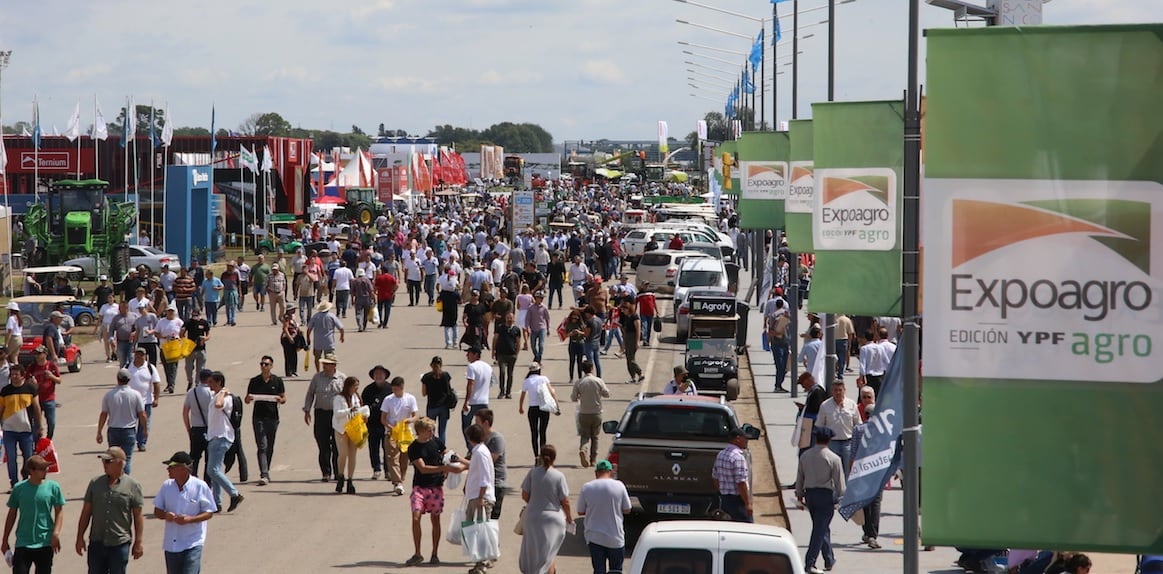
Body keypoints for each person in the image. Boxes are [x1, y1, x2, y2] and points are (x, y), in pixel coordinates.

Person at [75, 448, 145, 573]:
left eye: (108, 461)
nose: (104, 464)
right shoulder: (95, 483)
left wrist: (138, 542)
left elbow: (138, 516)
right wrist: (80, 537)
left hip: (119, 544)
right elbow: (86, 512)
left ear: (120, 463)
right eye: (103, 461)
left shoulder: (133, 486)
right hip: (97, 542)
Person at [405, 417, 462, 567]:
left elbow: (446, 453)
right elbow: (422, 468)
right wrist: (444, 468)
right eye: (429, 430)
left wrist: (450, 461)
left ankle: (434, 553)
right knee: (416, 517)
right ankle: (417, 553)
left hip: (436, 487)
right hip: (419, 486)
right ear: (420, 432)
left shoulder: (436, 442)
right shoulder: (414, 448)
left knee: (435, 520)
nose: (431, 433)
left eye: (432, 430)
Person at [152, 452, 216, 574]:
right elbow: (157, 511)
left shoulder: (200, 486)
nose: (168, 469)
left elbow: (209, 512)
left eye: (171, 466)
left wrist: (190, 519)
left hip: (193, 543)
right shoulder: (166, 486)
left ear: (183, 469)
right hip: (171, 545)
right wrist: (166, 515)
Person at [2, 455, 65, 573]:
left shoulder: (53, 487)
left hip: (45, 542)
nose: (46, 470)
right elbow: (12, 514)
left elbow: (59, 511)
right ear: (31, 471)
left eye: (46, 467)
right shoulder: (19, 488)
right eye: (41, 468)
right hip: (23, 542)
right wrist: (5, 540)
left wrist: (55, 533)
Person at [796, 426, 845, 574]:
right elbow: (839, 483)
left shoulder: (805, 455)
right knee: (819, 530)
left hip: (810, 495)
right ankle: (810, 563)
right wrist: (842, 499)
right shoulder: (833, 458)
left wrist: (799, 494)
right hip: (825, 496)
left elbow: (800, 476)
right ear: (829, 440)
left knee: (822, 527)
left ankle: (829, 558)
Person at [518, 445, 573, 574]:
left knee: (532, 552)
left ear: (540, 457)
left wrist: (535, 502)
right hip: (553, 519)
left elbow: (525, 495)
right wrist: (569, 518)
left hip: (533, 517)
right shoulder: (559, 476)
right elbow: (565, 501)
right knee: (549, 553)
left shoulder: (533, 473)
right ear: (555, 458)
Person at [576, 460, 631, 574]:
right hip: (615, 537)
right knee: (616, 570)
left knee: (598, 570)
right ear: (610, 472)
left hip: (595, 537)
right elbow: (627, 509)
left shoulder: (587, 487)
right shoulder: (619, 486)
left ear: (596, 473)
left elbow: (580, 511)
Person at [204, 372, 244, 513]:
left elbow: (219, 404)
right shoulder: (217, 395)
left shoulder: (225, 397)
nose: (209, 385)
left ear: (219, 382)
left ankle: (234, 494)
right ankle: (217, 502)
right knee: (215, 472)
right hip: (215, 437)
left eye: (211, 382)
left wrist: (223, 392)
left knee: (212, 470)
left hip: (221, 437)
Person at [96, 368, 146, 475]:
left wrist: (99, 431)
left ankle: (114, 479)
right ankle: (125, 482)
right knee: (126, 460)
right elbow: (142, 414)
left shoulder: (109, 395)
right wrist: (145, 430)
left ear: (117, 379)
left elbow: (103, 414)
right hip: (129, 430)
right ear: (129, 379)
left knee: (113, 459)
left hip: (113, 430)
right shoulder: (135, 394)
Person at [461, 423, 496, 573]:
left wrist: (481, 497)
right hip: (475, 496)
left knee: (478, 531)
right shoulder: (480, 451)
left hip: (480, 497)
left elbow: (484, 478)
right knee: (473, 530)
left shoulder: (480, 453)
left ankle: (481, 563)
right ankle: (481, 561)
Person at [246, 356, 286, 486]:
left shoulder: (277, 381)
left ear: (271, 366)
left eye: (266, 364)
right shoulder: (254, 381)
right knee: (262, 446)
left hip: (273, 418)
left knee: (270, 447)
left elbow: (283, 397)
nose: (264, 366)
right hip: (258, 418)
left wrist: (281, 400)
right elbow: (247, 400)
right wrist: (249, 398)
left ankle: (266, 469)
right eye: (262, 364)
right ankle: (264, 474)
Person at [303, 353, 344, 482]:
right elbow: (310, 394)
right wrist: (307, 410)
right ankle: (326, 473)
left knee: (338, 445)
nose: (324, 366)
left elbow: (349, 396)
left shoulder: (342, 378)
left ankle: (339, 472)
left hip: (337, 415)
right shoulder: (317, 378)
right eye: (324, 364)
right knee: (323, 444)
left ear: (334, 365)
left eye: (327, 364)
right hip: (321, 414)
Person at [379, 376, 418, 496]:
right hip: (392, 432)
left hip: (405, 433)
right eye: (393, 389)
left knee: (404, 458)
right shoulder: (388, 399)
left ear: (402, 387)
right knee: (392, 457)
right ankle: (397, 482)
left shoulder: (410, 398)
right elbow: (383, 418)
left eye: (397, 389)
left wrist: (409, 420)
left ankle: (401, 479)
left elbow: (415, 415)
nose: (395, 391)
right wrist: (390, 427)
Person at [570, 359, 609, 469]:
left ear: (583, 370)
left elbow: (573, 397)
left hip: (584, 412)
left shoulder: (579, 382)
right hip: (596, 412)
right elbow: (607, 394)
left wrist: (579, 396)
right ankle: (593, 460)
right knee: (595, 437)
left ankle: (583, 449)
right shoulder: (598, 381)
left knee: (585, 435)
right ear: (592, 369)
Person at [816, 380, 861, 472]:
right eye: (835, 390)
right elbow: (819, 425)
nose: (838, 392)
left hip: (848, 443)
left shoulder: (852, 404)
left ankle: (847, 486)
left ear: (844, 390)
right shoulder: (825, 405)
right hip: (832, 443)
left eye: (840, 390)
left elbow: (858, 425)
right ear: (832, 391)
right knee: (832, 470)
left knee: (848, 470)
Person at [711, 427, 754, 523]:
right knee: (747, 529)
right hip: (737, 502)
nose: (747, 441)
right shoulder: (738, 457)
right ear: (737, 438)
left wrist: (722, 491)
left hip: (724, 500)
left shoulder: (721, 454)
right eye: (745, 438)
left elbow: (715, 477)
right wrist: (747, 503)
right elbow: (741, 483)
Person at [472, 409, 507, 520]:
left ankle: (490, 538)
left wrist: (463, 464)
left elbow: (488, 461)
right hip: (481, 483)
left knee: (491, 520)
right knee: (479, 519)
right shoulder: (480, 440)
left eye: (477, 422)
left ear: (485, 423)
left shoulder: (496, 439)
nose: (475, 425)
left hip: (496, 483)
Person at [519, 362, 560, 458]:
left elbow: (522, 396)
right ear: (539, 370)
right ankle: (543, 455)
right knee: (542, 432)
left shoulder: (527, 381)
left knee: (534, 432)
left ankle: (536, 456)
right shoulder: (544, 379)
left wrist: (520, 407)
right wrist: (557, 406)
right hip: (544, 407)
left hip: (532, 408)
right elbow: (552, 392)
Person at [332, 376, 363, 495]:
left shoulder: (356, 397)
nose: (356, 388)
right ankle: (340, 475)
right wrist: (349, 410)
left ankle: (350, 479)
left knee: (352, 455)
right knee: (343, 454)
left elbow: (359, 410)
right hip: (341, 429)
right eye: (355, 385)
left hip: (353, 429)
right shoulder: (338, 398)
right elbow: (337, 413)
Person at [126, 347, 161, 453]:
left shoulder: (150, 367)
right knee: (130, 423)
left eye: (142, 354)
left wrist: (156, 398)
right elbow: (121, 380)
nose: (139, 356)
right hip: (130, 401)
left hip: (146, 401)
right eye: (137, 354)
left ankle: (141, 443)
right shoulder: (128, 367)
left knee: (144, 423)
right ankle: (130, 441)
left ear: (145, 356)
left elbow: (156, 383)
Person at [361, 366, 393, 481]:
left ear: (385, 375)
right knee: (373, 447)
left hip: (387, 423)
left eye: (381, 374)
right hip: (372, 423)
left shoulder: (390, 389)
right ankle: (376, 469)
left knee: (387, 448)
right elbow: (363, 406)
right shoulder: (368, 390)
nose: (378, 376)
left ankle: (388, 470)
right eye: (376, 374)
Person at [182, 369, 214, 480]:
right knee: (209, 459)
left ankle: (192, 479)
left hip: (196, 429)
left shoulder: (192, 392)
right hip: (210, 429)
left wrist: (188, 429)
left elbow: (185, 412)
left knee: (194, 458)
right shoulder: (212, 393)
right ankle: (207, 483)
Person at [460, 347, 492, 450]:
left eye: (469, 353)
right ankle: (484, 446)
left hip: (473, 401)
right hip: (484, 401)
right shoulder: (488, 367)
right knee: (483, 427)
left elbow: (470, 384)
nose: (467, 355)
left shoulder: (472, 367)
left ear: (475, 354)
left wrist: (466, 401)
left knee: (466, 426)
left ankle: (471, 448)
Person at [27, 346, 61, 440]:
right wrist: (30, 382)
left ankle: (48, 440)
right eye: (36, 354)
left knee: (51, 422)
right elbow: (25, 380)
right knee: (36, 422)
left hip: (49, 398)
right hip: (35, 399)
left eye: (39, 353)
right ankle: (37, 442)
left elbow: (59, 380)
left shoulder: (51, 366)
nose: (37, 356)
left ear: (45, 354)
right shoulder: (32, 367)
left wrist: (51, 376)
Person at [420, 357, 454, 444]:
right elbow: (449, 390)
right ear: (441, 365)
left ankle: (432, 447)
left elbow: (424, 393)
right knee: (442, 430)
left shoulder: (426, 377)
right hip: (444, 407)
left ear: (431, 365)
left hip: (432, 406)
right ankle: (442, 449)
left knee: (430, 430)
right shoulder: (446, 376)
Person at [306, 302, 345, 373]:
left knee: (317, 358)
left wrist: (308, 338)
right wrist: (342, 336)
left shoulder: (315, 316)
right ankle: (329, 371)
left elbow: (309, 329)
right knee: (330, 358)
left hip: (318, 341)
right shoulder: (331, 316)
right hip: (329, 341)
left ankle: (318, 371)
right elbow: (341, 327)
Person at [491, 312, 522, 399]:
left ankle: (508, 392)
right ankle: (502, 391)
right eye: (508, 318)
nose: (509, 319)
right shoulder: (500, 328)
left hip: (512, 355)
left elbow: (518, 342)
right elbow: (495, 339)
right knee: (502, 372)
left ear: (513, 319)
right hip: (501, 354)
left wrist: (517, 353)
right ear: (505, 318)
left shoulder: (516, 329)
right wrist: (493, 351)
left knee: (510, 374)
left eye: (511, 318)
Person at [180, 308, 210, 391]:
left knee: (200, 369)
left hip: (201, 349)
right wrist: (182, 333)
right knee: (188, 368)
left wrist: (205, 338)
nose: (195, 318)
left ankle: (197, 385)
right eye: (194, 316)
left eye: (197, 316)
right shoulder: (188, 322)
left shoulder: (204, 323)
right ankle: (190, 381)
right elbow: (181, 334)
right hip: (190, 349)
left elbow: (208, 334)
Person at [155, 307, 184, 393]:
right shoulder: (161, 321)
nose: (170, 313)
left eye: (172, 311)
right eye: (169, 311)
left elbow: (184, 332)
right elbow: (156, 332)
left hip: (174, 347)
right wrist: (163, 337)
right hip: (164, 346)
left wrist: (179, 338)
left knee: (173, 366)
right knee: (166, 367)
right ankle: (169, 383)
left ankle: (172, 385)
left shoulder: (179, 321)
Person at [617, 299, 643, 384]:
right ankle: (633, 377)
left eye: (624, 309)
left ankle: (640, 373)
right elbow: (625, 329)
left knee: (631, 358)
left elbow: (638, 329)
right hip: (627, 337)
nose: (622, 311)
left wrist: (637, 341)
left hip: (633, 337)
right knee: (628, 358)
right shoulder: (627, 317)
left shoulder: (635, 316)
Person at [374, 262, 399, 329]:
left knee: (380, 309)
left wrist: (375, 293)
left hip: (380, 295)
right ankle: (385, 323)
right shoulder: (391, 277)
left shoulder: (379, 278)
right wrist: (393, 291)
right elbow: (396, 285)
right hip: (389, 295)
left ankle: (380, 322)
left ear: (383, 271)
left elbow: (375, 287)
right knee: (387, 310)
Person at [278, 310, 302, 378]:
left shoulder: (293, 317)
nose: (294, 310)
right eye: (292, 309)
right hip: (287, 339)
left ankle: (294, 370)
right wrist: (289, 338)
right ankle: (289, 372)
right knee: (288, 355)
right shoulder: (286, 318)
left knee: (294, 355)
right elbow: (285, 329)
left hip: (294, 338)